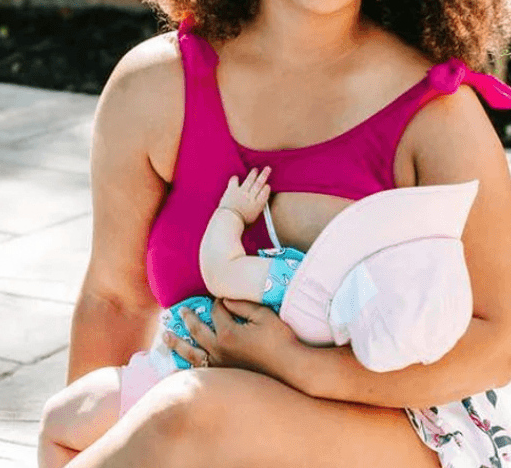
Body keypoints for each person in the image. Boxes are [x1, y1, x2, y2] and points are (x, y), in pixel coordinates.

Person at [52, 0, 511, 468]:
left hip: (397, 426)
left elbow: (494, 346)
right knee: (73, 418)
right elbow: (116, 301)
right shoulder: (157, 89)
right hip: (210, 410)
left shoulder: (435, 113)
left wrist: (301, 366)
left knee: (188, 414)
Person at [40, 165, 484, 467]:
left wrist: (231, 213)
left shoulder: (302, 288)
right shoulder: (352, 343)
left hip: (172, 373)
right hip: (247, 423)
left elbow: (221, 270)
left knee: (61, 423)